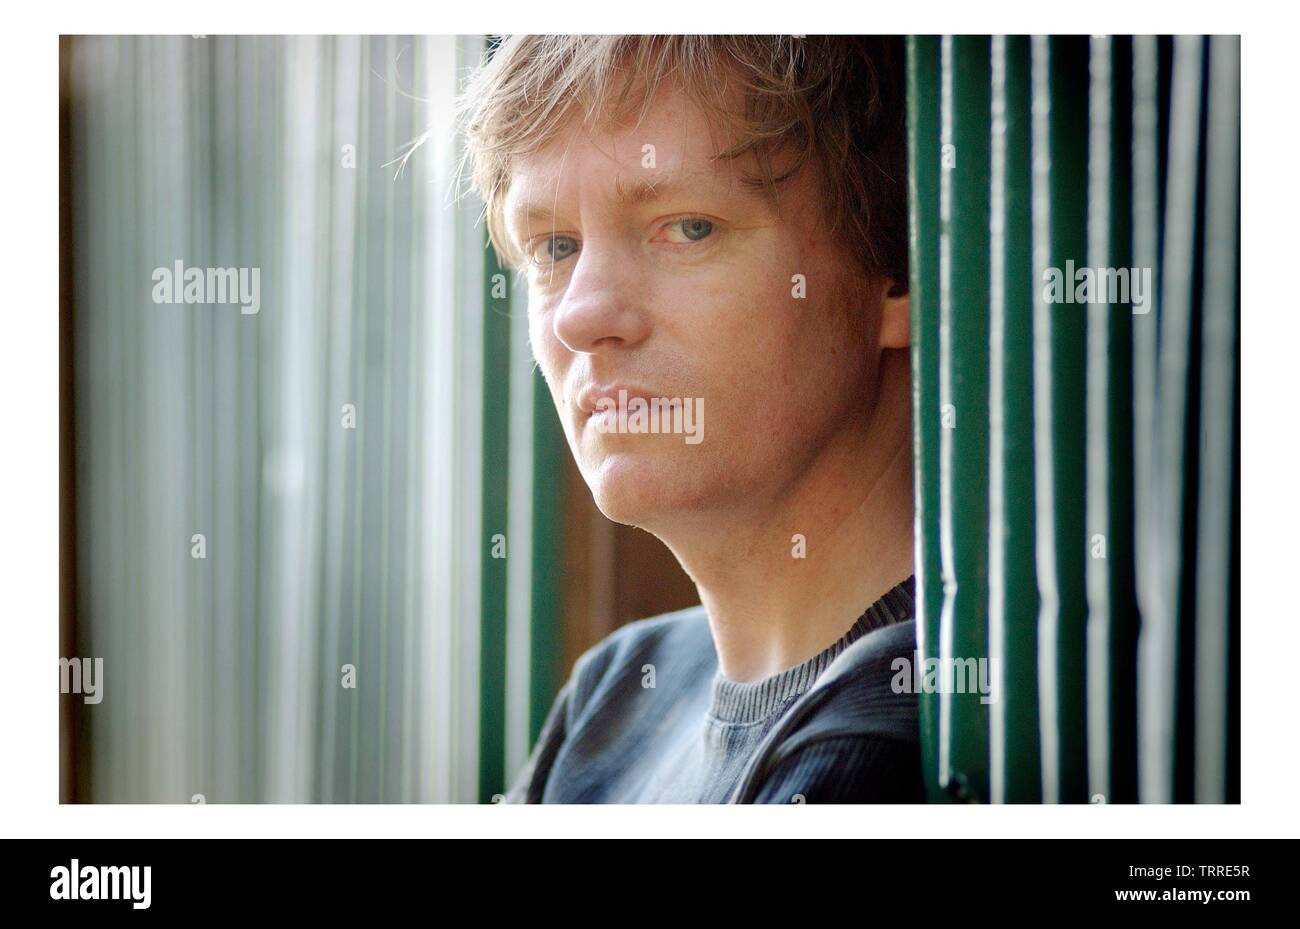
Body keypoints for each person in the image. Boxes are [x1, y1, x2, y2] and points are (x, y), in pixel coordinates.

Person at [460, 35, 923, 802]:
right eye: (555, 246)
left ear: (897, 272)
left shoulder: (886, 737)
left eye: (689, 228)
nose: (582, 315)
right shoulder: (616, 693)